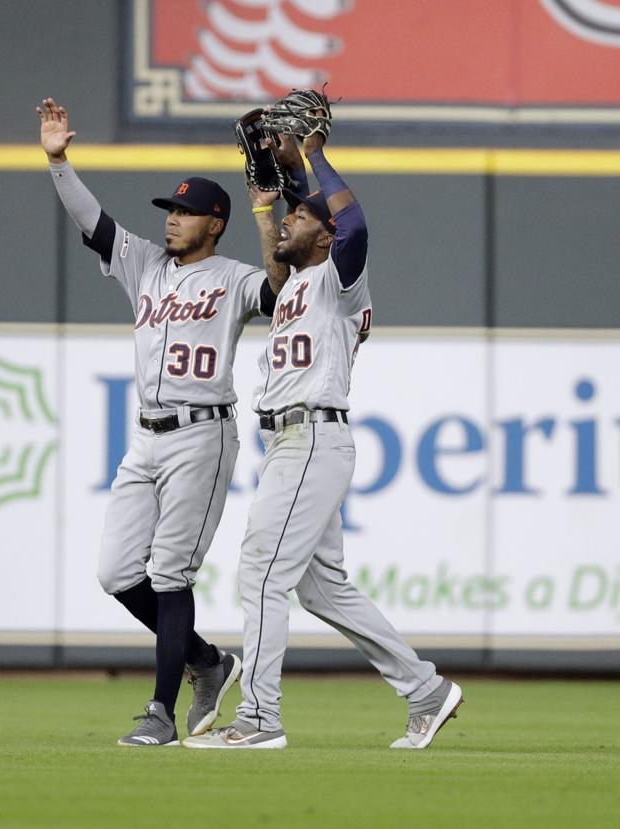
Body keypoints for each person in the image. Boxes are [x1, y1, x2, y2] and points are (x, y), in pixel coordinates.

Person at [184, 123, 463, 750]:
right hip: (293, 443)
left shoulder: (340, 279)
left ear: (326, 236)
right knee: (321, 587)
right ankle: (427, 690)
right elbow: (304, 226)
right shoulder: (301, 279)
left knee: (260, 573)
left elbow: (351, 225)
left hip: (311, 436)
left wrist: (313, 155)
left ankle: (259, 719)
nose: (288, 223)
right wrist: (286, 183)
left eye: (299, 219)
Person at [37, 97, 288, 747]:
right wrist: (59, 161)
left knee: (172, 571)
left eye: (185, 212)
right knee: (118, 572)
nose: (172, 221)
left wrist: (266, 209)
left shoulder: (234, 278)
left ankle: (160, 710)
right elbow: (92, 224)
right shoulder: (145, 264)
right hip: (145, 437)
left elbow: (281, 288)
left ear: (215, 222)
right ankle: (208, 659)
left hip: (203, 435)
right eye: (170, 212)